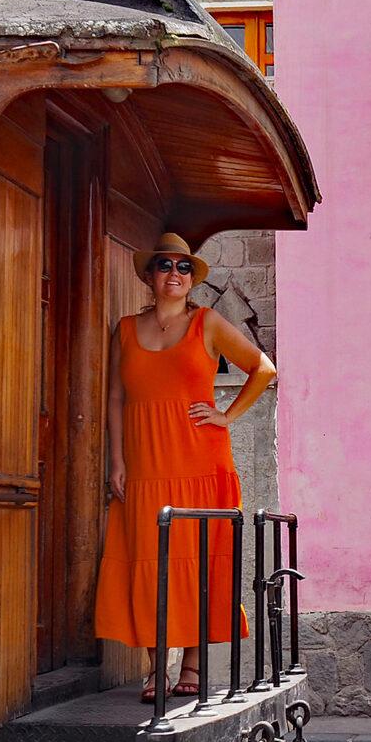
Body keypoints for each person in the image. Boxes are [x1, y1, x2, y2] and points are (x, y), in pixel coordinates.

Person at [93, 232, 275, 700]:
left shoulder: (208, 323)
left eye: (183, 267)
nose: (174, 274)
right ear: (150, 276)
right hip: (145, 463)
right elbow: (115, 396)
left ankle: (192, 666)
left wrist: (227, 415)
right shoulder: (126, 329)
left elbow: (264, 369)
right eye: (165, 266)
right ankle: (158, 668)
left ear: (192, 279)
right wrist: (117, 459)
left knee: (196, 558)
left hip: (200, 459)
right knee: (149, 559)